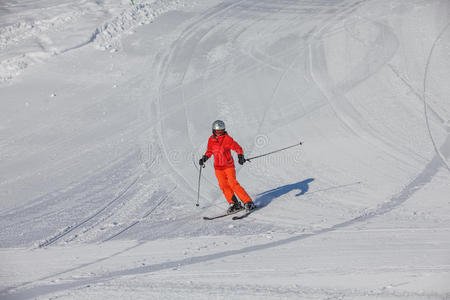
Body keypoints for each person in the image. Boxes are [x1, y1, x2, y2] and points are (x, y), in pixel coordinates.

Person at [199, 120, 255, 213]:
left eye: (221, 131)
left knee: (233, 183)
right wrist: (204, 158)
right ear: (213, 131)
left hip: (228, 166)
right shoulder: (211, 140)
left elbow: (238, 148)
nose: (219, 133)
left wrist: (240, 156)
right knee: (223, 185)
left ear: (224, 130)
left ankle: (248, 202)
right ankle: (234, 204)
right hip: (218, 168)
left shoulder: (227, 139)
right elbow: (209, 151)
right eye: (217, 131)